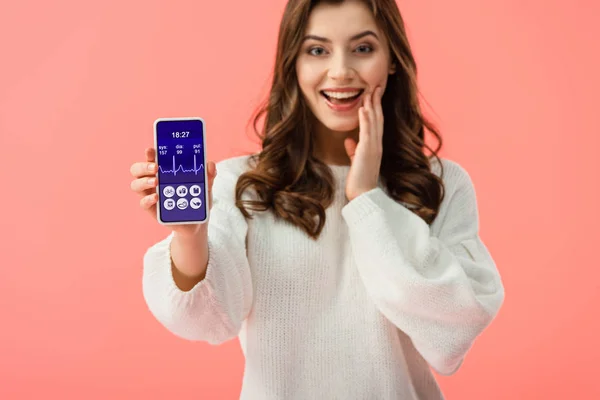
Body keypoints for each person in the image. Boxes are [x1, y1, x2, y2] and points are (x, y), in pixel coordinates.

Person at [129, 0, 505, 398]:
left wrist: (366, 200)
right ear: (293, 63)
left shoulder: (441, 184)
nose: (340, 71)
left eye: (362, 48)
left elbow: (453, 331)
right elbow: (207, 321)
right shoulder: (244, 184)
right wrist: (191, 234)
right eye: (317, 50)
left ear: (392, 59)